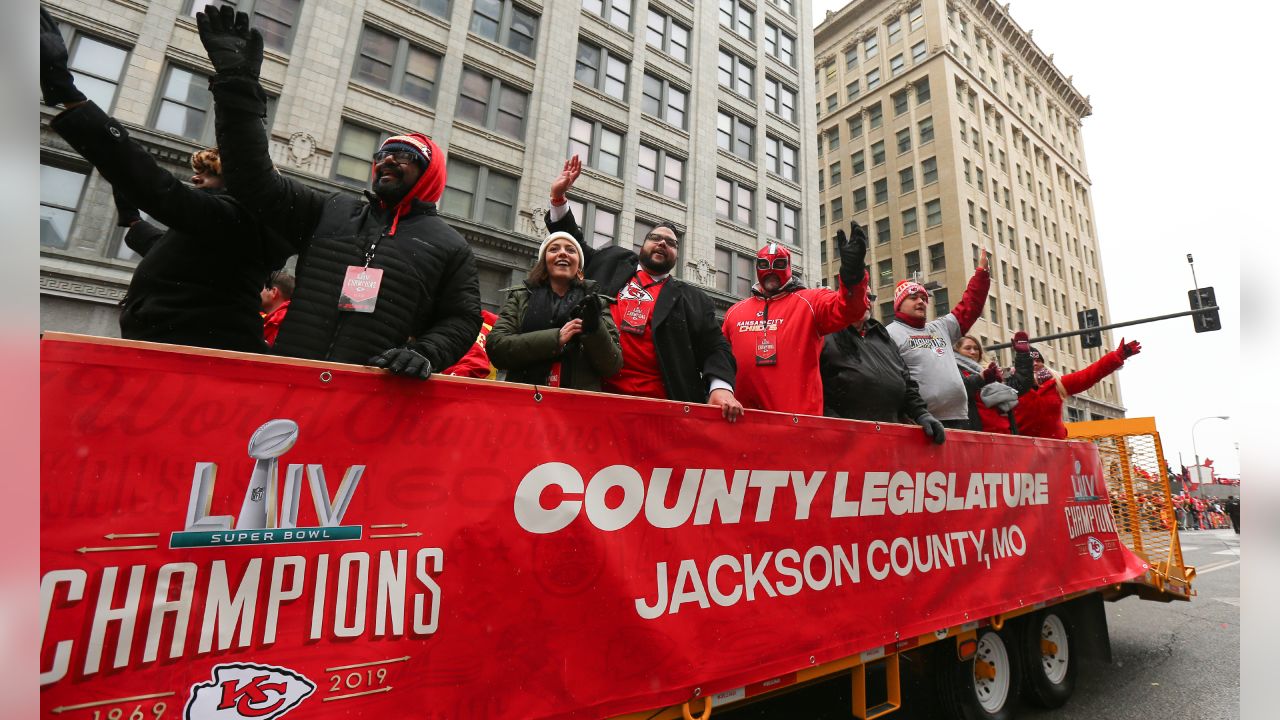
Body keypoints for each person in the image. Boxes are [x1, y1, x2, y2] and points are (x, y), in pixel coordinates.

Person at [196, 6, 480, 378]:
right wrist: (237, 86)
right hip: (291, 382)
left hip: (373, 399)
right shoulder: (329, 210)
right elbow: (253, 180)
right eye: (383, 154)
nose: (389, 161)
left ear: (430, 175)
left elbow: (462, 317)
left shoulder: (451, 247)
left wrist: (426, 354)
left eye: (405, 156)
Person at [40, 9, 287, 353]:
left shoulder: (237, 220)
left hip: (200, 363)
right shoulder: (216, 233)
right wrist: (129, 210)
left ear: (238, 179)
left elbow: (161, 191)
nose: (195, 176)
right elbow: (160, 242)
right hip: (177, 354)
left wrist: (66, 91)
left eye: (209, 172)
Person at [544, 156, 742, 421]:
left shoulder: (693, 299)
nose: (662, 243)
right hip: (592, 396)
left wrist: (721, 389)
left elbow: (716, 347)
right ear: (642, 246)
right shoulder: (611, 261)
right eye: (655, 238)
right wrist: (558, 199)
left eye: (670, 243)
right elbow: (573, 246)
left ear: (676, 256)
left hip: (659, 411)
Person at [720, 223, 869, 416]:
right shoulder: (734, 312)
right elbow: (719, 360)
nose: (771, 270)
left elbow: (851, 310)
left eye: (779, 264)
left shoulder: (811, 302)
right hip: (744, 422)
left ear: (789, 266)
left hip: (797, 423)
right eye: (764, 265)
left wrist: (852, 276)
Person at [487, 232, 622, 390]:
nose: (563, 253)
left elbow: (612, 366)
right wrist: (555, 338)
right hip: (525, 402)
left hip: (575, 407)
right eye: (554, 249)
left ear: (579, 268)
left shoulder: (596, 303)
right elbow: (496, 348)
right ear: (544, 263)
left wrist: (594, 329)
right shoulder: (521, 296)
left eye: (571, 250)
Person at [820, 288, 946, 444]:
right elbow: (813, 388)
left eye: (870, 297)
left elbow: (905, 382)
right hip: (844, 443)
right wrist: (834, 426)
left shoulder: (882, 336)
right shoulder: (824, 334)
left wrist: (921, 414)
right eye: (860, 294)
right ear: (843, 299)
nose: (867, 301)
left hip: (888, 438)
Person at [887, 250, 991, 429]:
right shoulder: (890, 334)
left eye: (923, 298)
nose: (921, 301)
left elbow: (970, 306)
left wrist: (981, 275)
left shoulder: (940, 328)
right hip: (920, 422)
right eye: (913, 298)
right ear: (899, 305)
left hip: (959, 417)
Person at [1013, 338, 1142, 439]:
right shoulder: (1011, 386)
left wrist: (1118, 356)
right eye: (1030, 361)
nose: (1035, 363)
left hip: (1054, 452)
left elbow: (1089, 375)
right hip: (1021, 451)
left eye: (1038, 360)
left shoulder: (1057, 384)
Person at [953, 332, 1034, 433]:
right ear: (956, 351)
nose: (973, 352)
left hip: (1005, 437)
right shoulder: (952, 371)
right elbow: (956, 391)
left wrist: (1023, 355)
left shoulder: (991, 371)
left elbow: (1019, 386)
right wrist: (981, 378)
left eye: (976, 348)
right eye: (968, 348)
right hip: (977, 439)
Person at [443, 310, 499, 379]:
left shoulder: (476, 328)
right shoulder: (486, 331)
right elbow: (474, 365)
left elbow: (474, 364)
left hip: (455, 380)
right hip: (471, 384)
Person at [260, 271, 294, 347]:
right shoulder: (265, 318)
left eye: (263, 287)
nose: (259, 290)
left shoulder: (282, 326)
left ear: (274, 292)